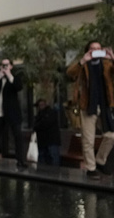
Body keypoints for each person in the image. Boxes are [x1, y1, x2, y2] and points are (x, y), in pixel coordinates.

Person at [67, 40, 114, 179]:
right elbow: (70, 73)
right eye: (92, 49)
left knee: (111, 136)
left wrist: (112, 57)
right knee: (88, 140)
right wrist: (82, 61)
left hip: (104, 106)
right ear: (87, 51)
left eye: (99, 49)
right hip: (87, 106)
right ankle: (91, 168)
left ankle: (100, 160)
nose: (96, 52)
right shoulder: (83, 65)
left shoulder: (106, 64)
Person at [32, 98, 62, 166]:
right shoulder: (42, 115)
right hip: (46, 141)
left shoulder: (50, 113)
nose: (40, 107)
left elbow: (44, 124)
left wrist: (38, 126)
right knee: (49, 158)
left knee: (51, 157)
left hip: (50, 140)